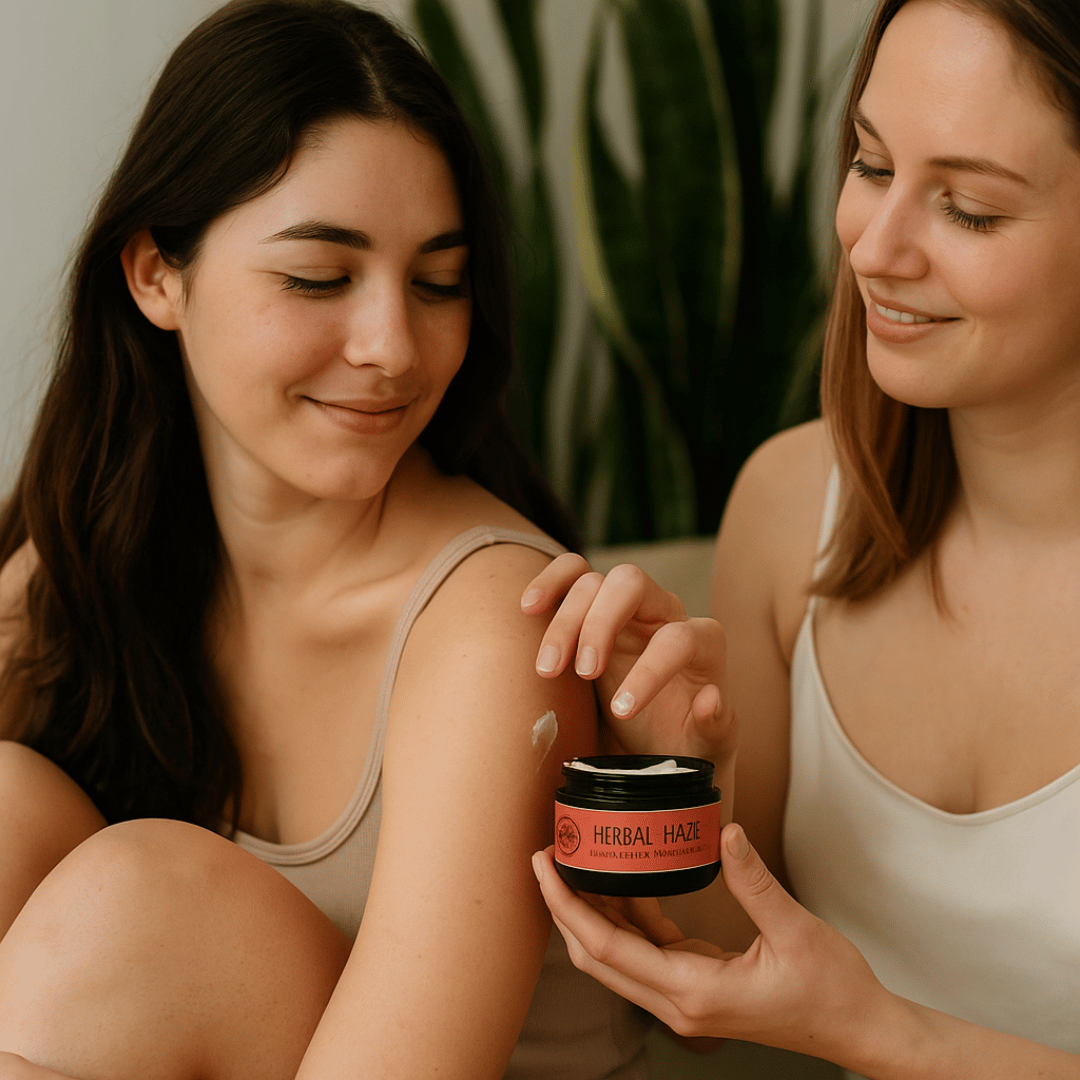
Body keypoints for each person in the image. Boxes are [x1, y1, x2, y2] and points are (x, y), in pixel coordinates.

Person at [0, 2, 720, 1077]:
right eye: (320, 278)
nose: (392, 347)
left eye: (439, 283)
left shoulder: (493, 628)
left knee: (138, 903)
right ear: (157, 274)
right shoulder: (102, 552)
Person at [524, 0, 1080, 1076]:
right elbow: (755, 966)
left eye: (967, 209)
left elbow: (837, 1015)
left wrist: (875, 1032)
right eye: (870, 166)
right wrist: (688, 779)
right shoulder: (789, 508)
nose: (872, 248)